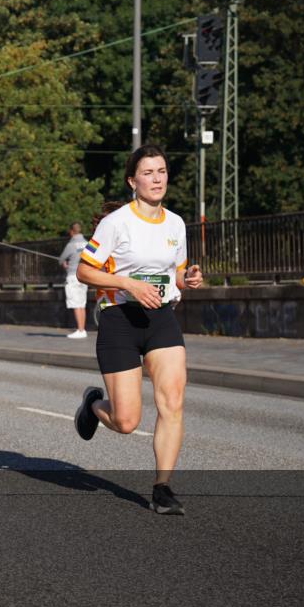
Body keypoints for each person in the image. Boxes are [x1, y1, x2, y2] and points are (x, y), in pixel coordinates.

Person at [73, 144, 203, 515]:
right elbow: (84, 271)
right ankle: (93, 404)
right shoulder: (116, 223)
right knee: (127, 421)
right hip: (120, 319)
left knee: (173, 400)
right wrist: (127, 283)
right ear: (133, 181)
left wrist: (188, 278)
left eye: (161, 171)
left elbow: (176, 271)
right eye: (148, 173)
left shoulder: (175, 223)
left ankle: (162, 488)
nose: (157, 179)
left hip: (161, 318)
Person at [59, 222, 89, 339]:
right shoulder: (88, 243)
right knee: (82, 303)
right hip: (84, 276)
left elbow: (61, 259)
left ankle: (80, 330)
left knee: (76, 303)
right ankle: (82, 329)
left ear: (71, 231)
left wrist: (64, 263)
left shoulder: (71, 244)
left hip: (73, 276)